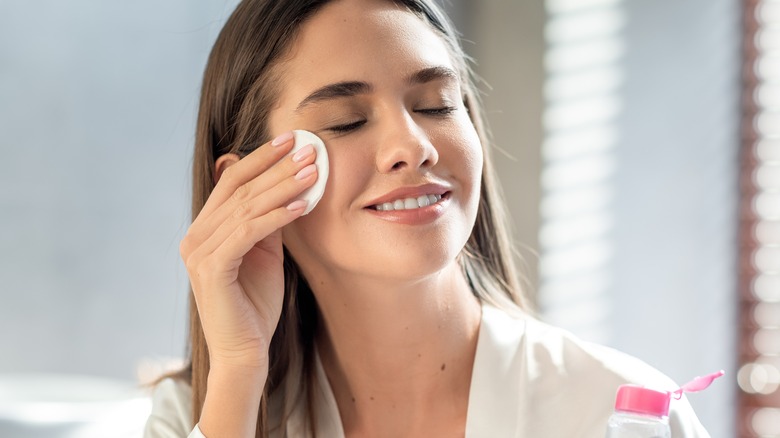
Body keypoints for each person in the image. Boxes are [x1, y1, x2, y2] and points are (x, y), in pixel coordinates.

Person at [144, 0, 711, 436]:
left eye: (436, 105)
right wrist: (238, 372)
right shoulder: (198, 414)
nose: (413, 146)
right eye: (345, 121)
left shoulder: (621, 413)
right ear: (246, 188)